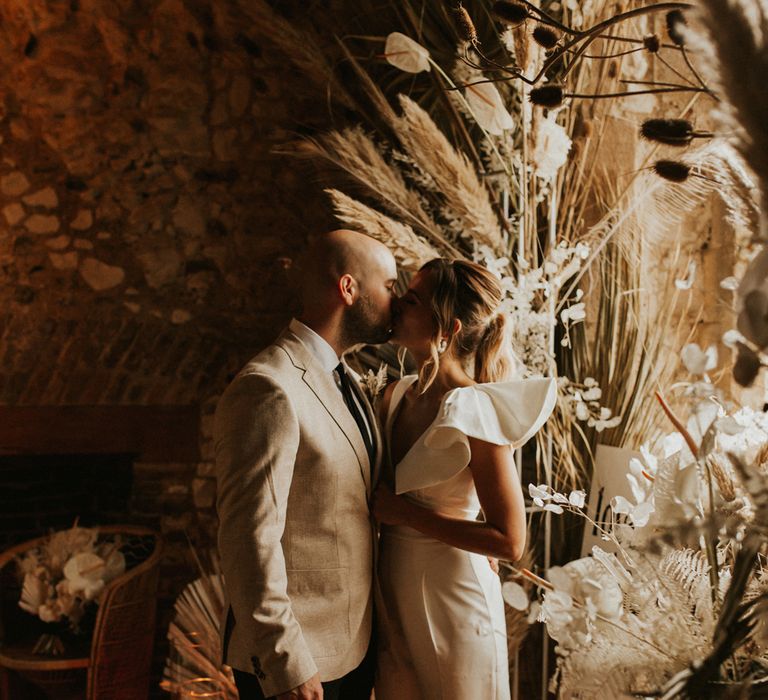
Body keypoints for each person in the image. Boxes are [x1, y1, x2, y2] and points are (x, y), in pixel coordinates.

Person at [214, 229, 398, 700]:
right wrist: (284, 661)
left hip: (351, 647)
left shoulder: (347, 379)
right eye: (390, 285)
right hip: (299, 661)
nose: (396, 298)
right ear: (349, 288)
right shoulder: (269, 386)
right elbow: (248, 537)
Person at [372, 258, 556, 700]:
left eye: (412, 299)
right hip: (388, 589)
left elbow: (510, 542)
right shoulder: (393, 396)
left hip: (453, 594)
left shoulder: (474, 411)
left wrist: (405, 515)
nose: (397, 303)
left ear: (447, 328)